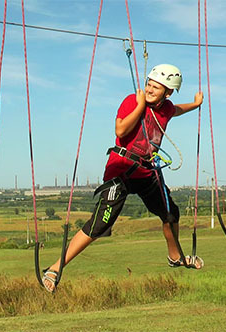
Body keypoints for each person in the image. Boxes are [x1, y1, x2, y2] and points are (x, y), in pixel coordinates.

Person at [43, 64, 204, 292]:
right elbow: (120, 130)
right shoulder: (133, 100)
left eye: (156, 88)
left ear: (167, 92)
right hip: (122, 170)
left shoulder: (166, 108)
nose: (149, 89)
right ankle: (55, 269)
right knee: (100, 224)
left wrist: (195, 105)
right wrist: (140, 106)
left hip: (147, 172)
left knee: (171, 214)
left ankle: (175, 256)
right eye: (149, 84)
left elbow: (176, 109)